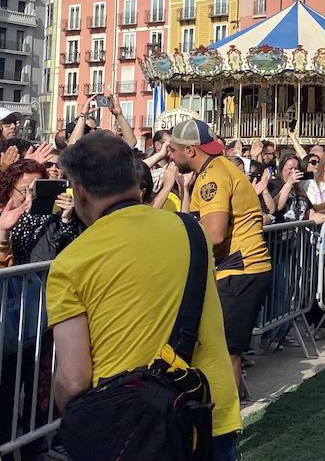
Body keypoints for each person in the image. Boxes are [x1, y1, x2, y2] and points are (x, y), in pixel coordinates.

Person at [46, 131, 242, 458]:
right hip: (206, 411)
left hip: (129, 425)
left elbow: (73, 378)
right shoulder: (191, 231)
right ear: (133, 177)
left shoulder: (71, 263)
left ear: (79, 191)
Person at [166, 119, 270, 398]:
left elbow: (213, 234)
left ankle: (226, 428)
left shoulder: (212, 175)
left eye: (173, 149)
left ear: (190, 151)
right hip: (241, 267)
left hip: (238, 269)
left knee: (226, 352)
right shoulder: (219, 168)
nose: (170, 156)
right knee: (223, 349)